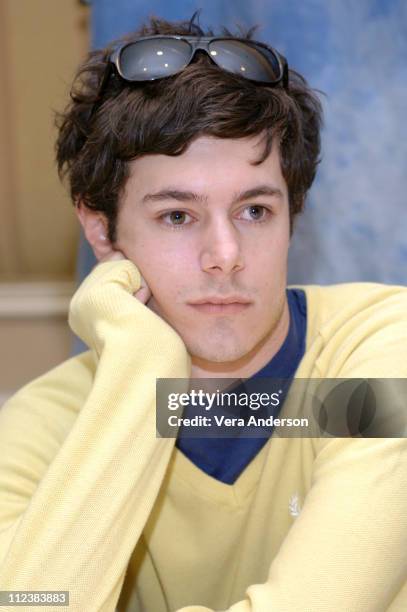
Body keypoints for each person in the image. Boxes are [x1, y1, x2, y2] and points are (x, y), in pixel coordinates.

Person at [0, 13, 406, 612]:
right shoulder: (45, 426)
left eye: (255, 211)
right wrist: (142, 370)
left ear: (293, 215)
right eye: (177, 216)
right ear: (102, 232)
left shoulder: (376, 350)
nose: (225, 257)